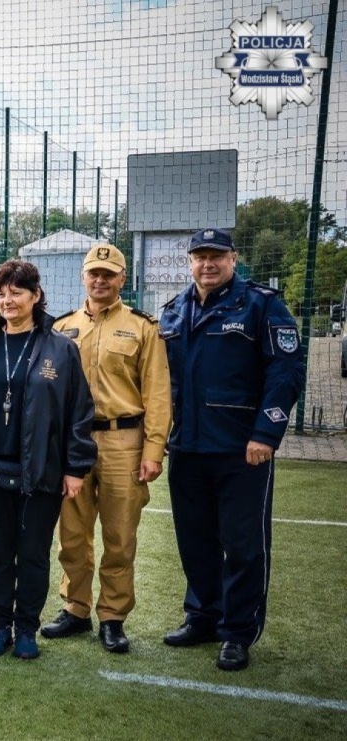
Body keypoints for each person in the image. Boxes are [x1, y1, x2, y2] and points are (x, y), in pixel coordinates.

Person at [157, 228, 305, 672]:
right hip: (187, 447)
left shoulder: (262, 305)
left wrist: (266, 434)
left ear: (233, 259)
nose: (208, 264)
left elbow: (287, 371)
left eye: (216, 256)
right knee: (195, 541)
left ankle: (237, 632)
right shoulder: (172, 312)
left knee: (243, 545)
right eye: (200, 256)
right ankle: (202, 616)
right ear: (189, 262)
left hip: (243, 450)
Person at [0, 259, 96, 660]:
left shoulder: (61, 349)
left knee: (32, 554)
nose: (7, 300)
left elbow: (79, 411)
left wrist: (75, 467)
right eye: (1, 292)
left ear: (35, 296)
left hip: (41, 471)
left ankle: (26, 627)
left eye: (16, 292)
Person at [40, 244, 171, 653]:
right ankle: (76, 608)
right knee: (72, 535)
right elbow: (48, 385)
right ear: (83, 276)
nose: (100, 280)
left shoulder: (143, 328)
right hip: (73, 442)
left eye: (109, 274)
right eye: (94, 273)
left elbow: (158, 392)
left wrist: (153, 449)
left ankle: (113, 616)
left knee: (119, 536)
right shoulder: (60, 328)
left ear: (122, 279)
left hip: (123, 442)